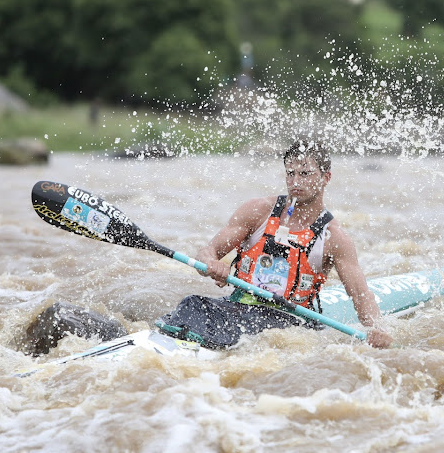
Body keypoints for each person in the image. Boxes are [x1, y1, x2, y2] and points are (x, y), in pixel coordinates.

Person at [161, 139, 393, 349]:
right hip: (239, 307)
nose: (295, 182)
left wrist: (377, 330)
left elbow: (361, 295)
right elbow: (207, 252)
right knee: (192, 304)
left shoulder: (335, 238)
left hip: (291, 323)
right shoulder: (257, 211)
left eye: (305, 174)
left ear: (325, 178)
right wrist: (212, 264)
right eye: (290, 173)